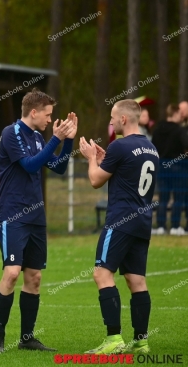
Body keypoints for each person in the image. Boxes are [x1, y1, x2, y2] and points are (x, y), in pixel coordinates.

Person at [0, 89, 77, 353]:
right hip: (12, 214)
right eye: (48, 115)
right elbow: (29, 165)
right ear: (34, 112)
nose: (50, 120)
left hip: (36, 217)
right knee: (12, 272)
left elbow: (59, 167)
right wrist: (56, 139)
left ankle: (27, 338)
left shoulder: (40, 138)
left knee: (35, 277)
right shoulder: (11, 133)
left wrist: (69, 141)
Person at [80, 100, 157, 354]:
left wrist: (92, 158)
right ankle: (141, 341)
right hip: (143, 223)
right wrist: (105, 159)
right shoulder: (150, 147)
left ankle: (114, 339)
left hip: (120, 221)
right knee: (137, 280)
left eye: (113, 118)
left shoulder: (120, 145)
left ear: (124, 119)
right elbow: (127, 172)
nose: (110, 122)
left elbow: (94, 181)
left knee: (102, 274)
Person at [150, 104, 188, 236]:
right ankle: (175, 226)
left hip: (162, 167)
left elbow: (152, 146)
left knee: (163, 198)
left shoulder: (158, 129)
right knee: (178, 198)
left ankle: (160, 226)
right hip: (178, 168)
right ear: (175, 114)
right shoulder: (179, 130)